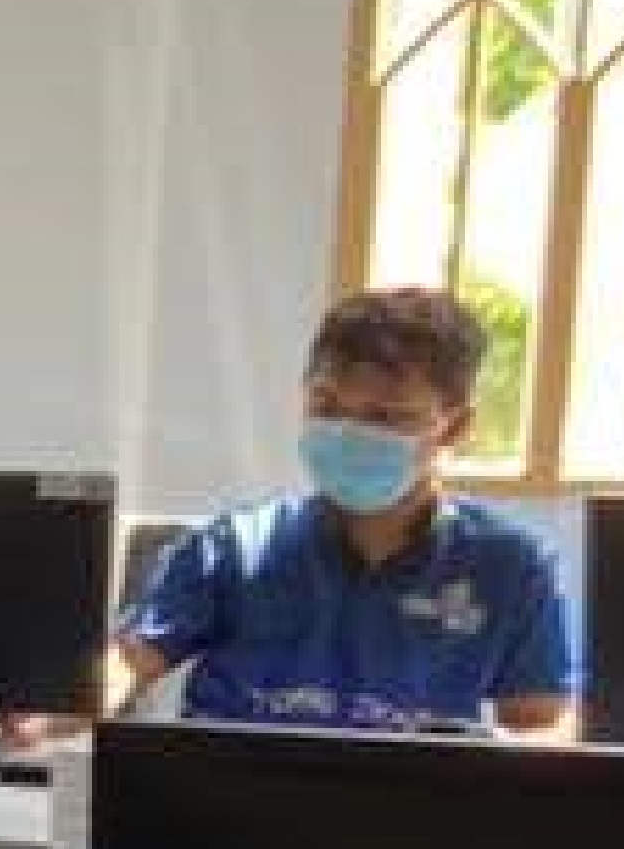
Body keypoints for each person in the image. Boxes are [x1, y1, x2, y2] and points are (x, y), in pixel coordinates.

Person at [114, 286, 577, 735]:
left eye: (385, 416)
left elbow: (541, 725)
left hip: (420, 788)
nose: (347, 431)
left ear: (454, 428)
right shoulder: (234, 549)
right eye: (327, 406)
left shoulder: (512, 567)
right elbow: (127, 662)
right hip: (231, 784)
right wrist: (79, 697)